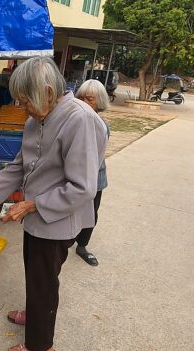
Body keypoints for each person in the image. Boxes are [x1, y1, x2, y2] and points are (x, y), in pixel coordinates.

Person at [0, 57, 107, 351]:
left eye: (26, 101)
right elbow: (18, 166)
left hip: (57, 218)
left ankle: (41, 348)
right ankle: (35, 313)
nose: (22, 107)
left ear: (49, 92)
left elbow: (83, 187)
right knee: (37, 273)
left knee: (44, 280)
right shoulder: (37, 118)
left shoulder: (79, 119)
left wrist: (33, 204)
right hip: (35, 215)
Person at [74, 79, 111, 266]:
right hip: (72, 177)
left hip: (95, 178)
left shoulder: (102, 126)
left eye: (89, 99)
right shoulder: (72, 121)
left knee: (91, 213)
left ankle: (82, 246)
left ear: (99, 101)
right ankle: (65, 239)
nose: (83, 103)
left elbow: (94, 158)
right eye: (80, 98)